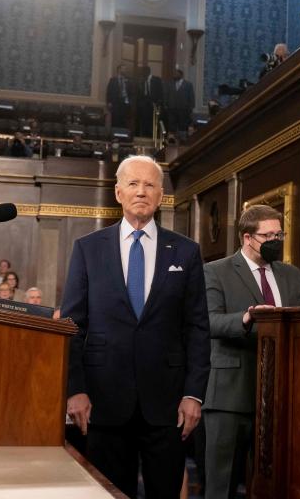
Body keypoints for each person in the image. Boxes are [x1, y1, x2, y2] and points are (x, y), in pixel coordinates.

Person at [61, 155, 210, 498]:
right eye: (133, 183)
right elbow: (73, 325)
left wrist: (193, 393)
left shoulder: (186, 252)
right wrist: (75, 389)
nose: (141, 191)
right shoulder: (87, 249)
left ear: (161, 196)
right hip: (103, 402)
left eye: (149, 185)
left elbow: (197, 328)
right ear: (118, 192)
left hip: (168, 404)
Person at [203, 205, 300, 498]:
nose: (275, 240)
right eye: (267, 235)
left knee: (272, 484)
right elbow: (208, 321)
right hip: (231, 394)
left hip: (281, 396)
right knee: (222, 485)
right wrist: (245, 318)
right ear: (247, 238)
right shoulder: (216, 271)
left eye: (278, 234)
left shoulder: (290, 273)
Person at [165, 67, 195, 136]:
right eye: (174, 74)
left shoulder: (188, 84)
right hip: (172, 108)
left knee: (183, 126)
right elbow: (166, 94)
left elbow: (191, 96)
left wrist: (191, 107)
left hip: (183, 109)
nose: (174, 75)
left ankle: (182, 140)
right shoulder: (170, 83)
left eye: (176, 74)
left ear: (181, 75)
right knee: (171, 126)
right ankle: (171, 140)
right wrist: (166, 104)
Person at [105, 64, 135, 132]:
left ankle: (122, 136)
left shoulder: (129, 80)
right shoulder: (113, 80)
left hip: (125, 105)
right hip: (115, 104)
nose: (125, 70)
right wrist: (109, 102)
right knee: (115, 120)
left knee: (124, 122)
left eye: (125, 69)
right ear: (119, 70)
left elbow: (132, 93)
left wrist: (130, 102)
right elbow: (109, 92)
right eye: (124, 69)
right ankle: (115, 137)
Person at [137, 65, 164, 138]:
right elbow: (139, 94)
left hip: (154, 104)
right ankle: (144, 136)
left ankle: (152, 136)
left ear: (147, 71)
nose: (142, 73)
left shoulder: (156, 80)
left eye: (143, 72)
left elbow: (160, 92)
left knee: (153, 121)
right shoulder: (142, 81)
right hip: (144, 105)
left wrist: (158, 102)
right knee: (144, 121)